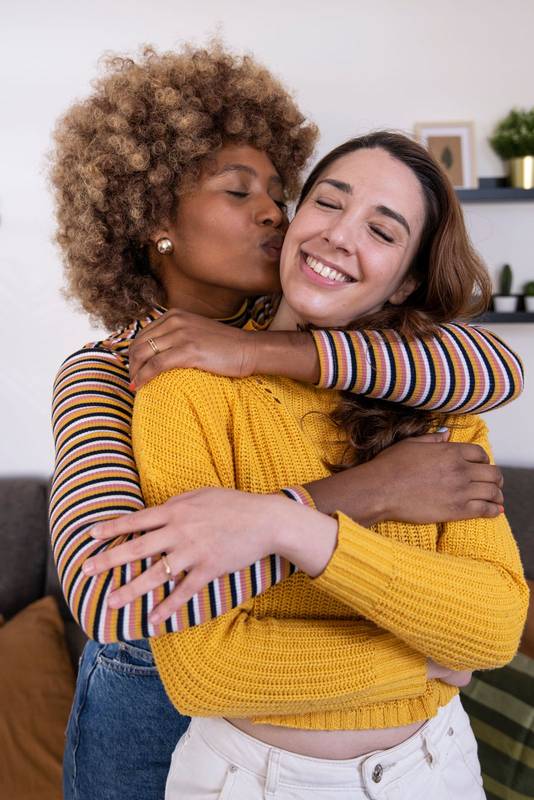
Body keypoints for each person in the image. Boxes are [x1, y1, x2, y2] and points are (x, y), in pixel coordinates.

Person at [49, 43, 522, 799]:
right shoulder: (107, 373)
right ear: (154, 218)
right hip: (149, 706)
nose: (278, 210)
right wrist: (358, 496)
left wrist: (260, 349)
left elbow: (494, 371)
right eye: (240, 193)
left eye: (279, 189)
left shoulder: (317, 342)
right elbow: (118, 598)